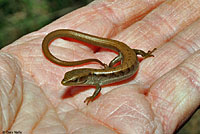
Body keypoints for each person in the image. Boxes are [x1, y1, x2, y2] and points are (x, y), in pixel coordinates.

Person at [1, 0, 199, 133]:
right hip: (122, 58)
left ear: (86, 77)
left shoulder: (96, 81)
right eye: (72, 78)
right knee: (122, 55)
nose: (69, 83)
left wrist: (144, 55)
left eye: (75, 79)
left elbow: (97, 88)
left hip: (128, 60)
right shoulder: (95, 77)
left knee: (130, 53)